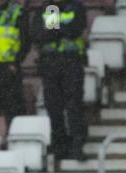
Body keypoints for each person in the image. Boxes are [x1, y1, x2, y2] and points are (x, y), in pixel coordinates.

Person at [31, 0, 87, 161]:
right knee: (53, 107)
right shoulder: (47, 9)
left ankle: (77, 146)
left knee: (74, 106)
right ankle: (60, 146)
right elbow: (39, 34)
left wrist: (55, 30)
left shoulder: (76, 7)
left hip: (72, 64)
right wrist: (58, 30)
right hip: (50, 65)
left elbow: (74, 30)